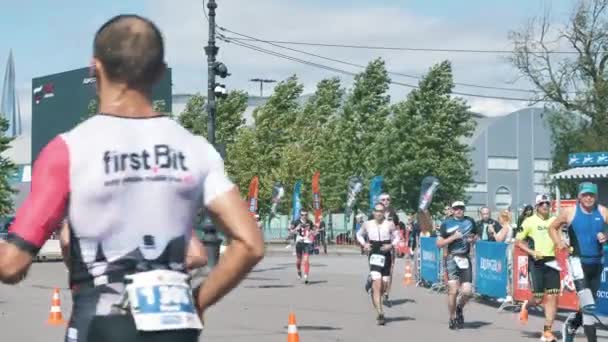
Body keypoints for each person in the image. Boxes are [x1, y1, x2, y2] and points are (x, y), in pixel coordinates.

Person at [0, 14, 264, 342]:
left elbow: (11, 265)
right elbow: (250, 245)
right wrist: (197, 302)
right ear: (156, 71)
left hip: (101, 323)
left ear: (94, 69)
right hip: (176, 326)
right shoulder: (196, 149)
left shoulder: (68, 150)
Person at [549, 182, 608, 342]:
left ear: (596, 196)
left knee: (590, 303)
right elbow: (552, 228)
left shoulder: (603, 211)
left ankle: (573, 323)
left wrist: (606, 236)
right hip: (577, 262)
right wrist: (559, 242)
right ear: (579, 196)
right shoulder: (570, 212)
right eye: (585, 195)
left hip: (597, 262)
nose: (588, 198)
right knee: (588, 305)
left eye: (591, 195)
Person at [516, 194, 559, 342]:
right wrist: (532, 252)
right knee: (539, 299)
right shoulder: (529, 221)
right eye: (542, 204)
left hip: (552, 261)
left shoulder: (555, 220)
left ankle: (547, 331)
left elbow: (560, 236)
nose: (545, 206)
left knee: (553, 296)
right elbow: (519, 241)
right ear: (537, 207)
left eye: (547, 203)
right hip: (537, 262)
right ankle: (527, 305)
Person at [436, 201, 478, 330]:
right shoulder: (446, 224)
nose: (458, 210)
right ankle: (452, 318)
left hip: (465, 258)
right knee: (452, 291)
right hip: (451, 258)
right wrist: (453, 237)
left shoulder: (470, 221)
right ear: (452, 210)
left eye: (461, 208)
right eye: (456, 208)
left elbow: (475, 235)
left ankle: (459, 307)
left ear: (464, 209)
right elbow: (439, 243)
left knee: (467, 291)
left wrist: (473, 239)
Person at [357, 202, 399, 325]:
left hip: (386, 252)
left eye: (381, 211)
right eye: (376, 211)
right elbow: (359, 234)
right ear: (373, 212)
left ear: (384, 212)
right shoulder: (367, 224)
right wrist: (364, 244)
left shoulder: (390, 224)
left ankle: (371, 284)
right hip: (374, 251)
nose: (379, 213)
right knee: (378, 282)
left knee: (384, 286)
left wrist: (391, 245)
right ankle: (380, 313)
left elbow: (397, 237)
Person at [288, 209, 316, 284]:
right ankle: (299, 270)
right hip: (299, 243)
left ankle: (306, 276)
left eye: (305, 215)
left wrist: (312, 232)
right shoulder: (296, 222)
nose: (304, 216)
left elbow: (314, 231)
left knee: (306, 260)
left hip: (307, 243)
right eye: (302, 215)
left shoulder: (309, 222)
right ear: (300, 215)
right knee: (299, 261)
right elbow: (290, 232)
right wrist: (296, 229)